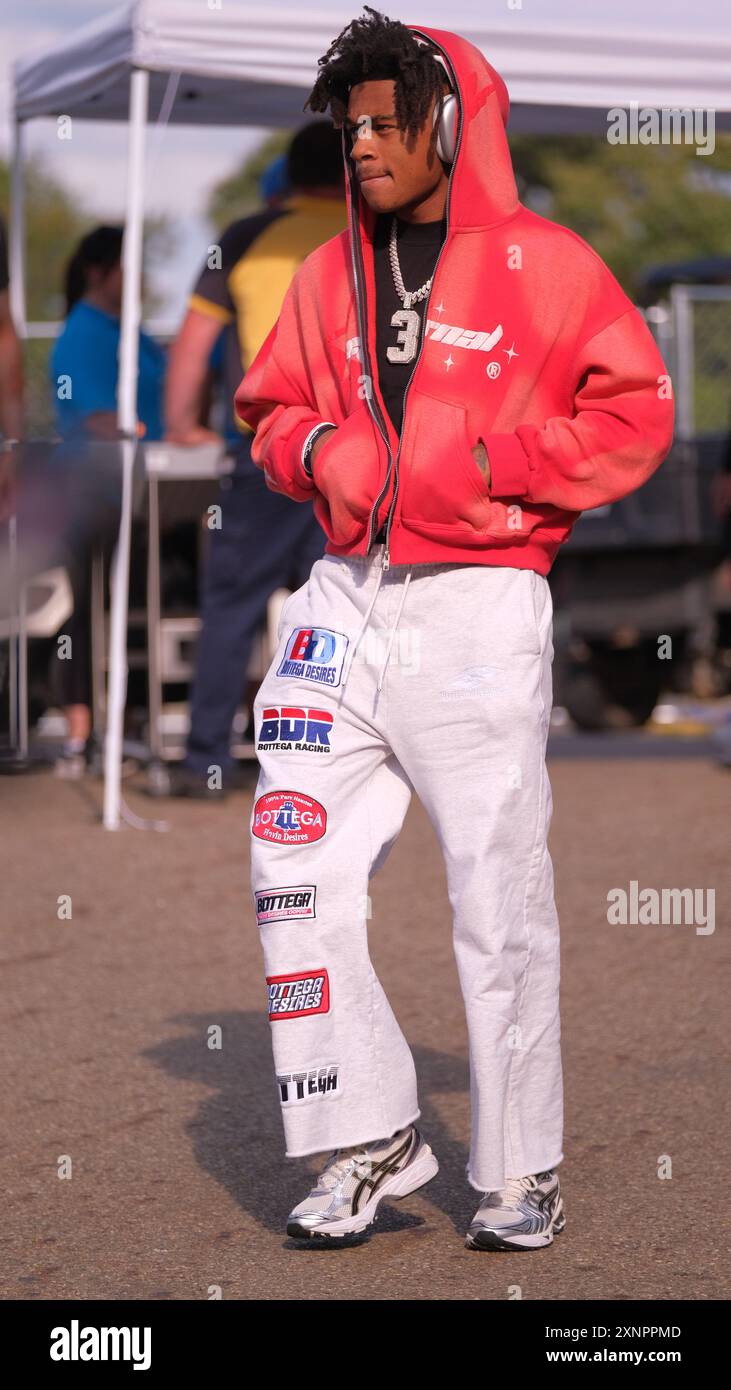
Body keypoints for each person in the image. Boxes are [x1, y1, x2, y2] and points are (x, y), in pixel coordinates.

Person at [235, 8, 674, 1250]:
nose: (362, 144)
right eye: (348, 123)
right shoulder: (327, 273)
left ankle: (518, 1165)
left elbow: (633, 409)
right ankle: (368, 1129)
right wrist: (314, 443)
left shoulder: (548, 262)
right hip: (340, 598)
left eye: (386, 121)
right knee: (292, 865)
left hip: (480, 599)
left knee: (495, 890)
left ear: (451, 123)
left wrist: (495, 459)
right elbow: (266, 409)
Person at [163, 124, 347, 797]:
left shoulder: (243, 237)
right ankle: (346, 765)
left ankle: (206, 761)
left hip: (266, 450)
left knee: (232, 607)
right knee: (352, 611)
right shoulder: (377, 236)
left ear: (287, 179)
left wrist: (182, 424)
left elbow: (192, 345)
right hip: (354, 456)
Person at [49, 225, 165, 774]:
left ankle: (135, 719)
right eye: (128, 266)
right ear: (101, 272)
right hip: (93, 490)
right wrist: (140, 431)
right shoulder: (82, 332)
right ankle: (81, 728)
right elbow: (93, 416)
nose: (138, 278)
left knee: (145, 599)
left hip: (151, 492)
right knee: (90, 605)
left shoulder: (131, 330)